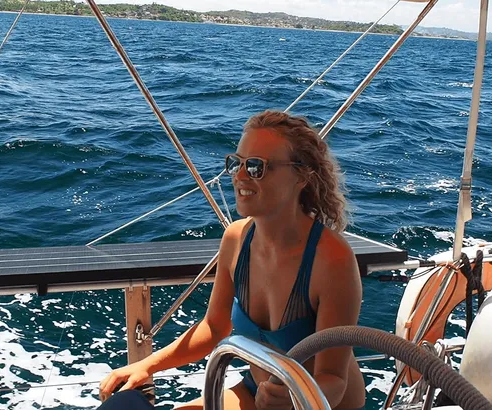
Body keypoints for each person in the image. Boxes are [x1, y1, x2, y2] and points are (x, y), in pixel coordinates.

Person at [99, 110, 366, 410]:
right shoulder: (236, 239)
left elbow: (334, 379)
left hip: (319, 401)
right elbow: (214, 328)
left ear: (301, 176)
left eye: (256, 167)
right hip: (256, 392)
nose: (240, 176)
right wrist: (147, 365)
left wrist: (292, 399)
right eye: (237, 163)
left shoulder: (331, 260)